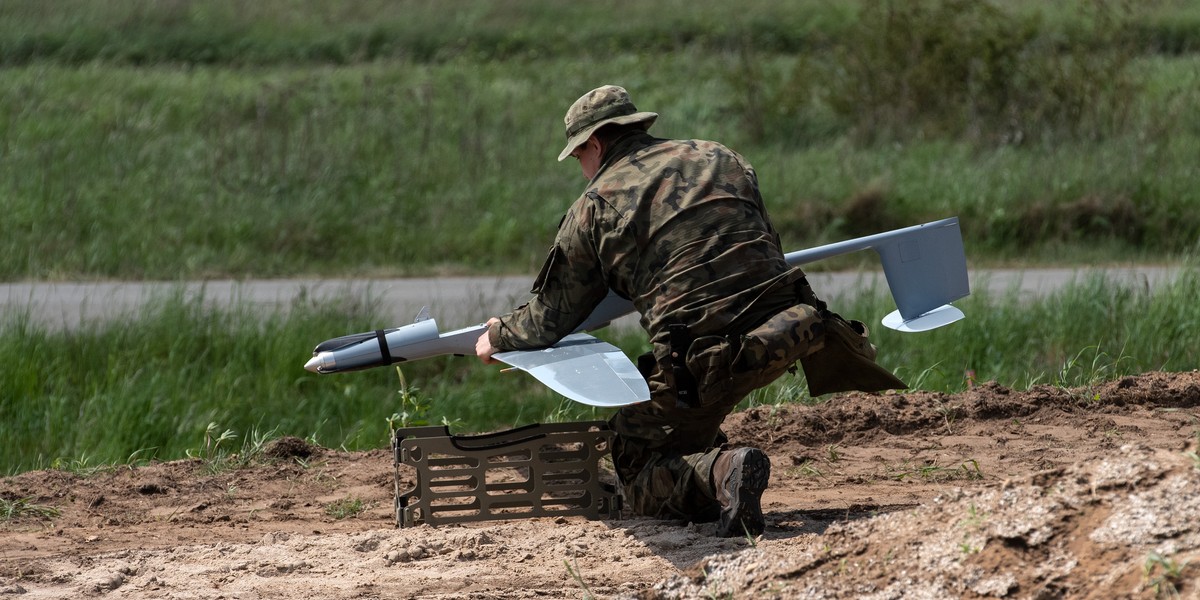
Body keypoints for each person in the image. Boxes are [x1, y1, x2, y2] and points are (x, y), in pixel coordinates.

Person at [475, 85, 904, 537]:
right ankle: (703, 452)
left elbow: (550, 316)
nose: (581, 170)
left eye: (578, 156)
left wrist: (499, 336)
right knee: (682, 413)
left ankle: (723, 471)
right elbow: (765, 248)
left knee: (632, 460)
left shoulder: (594, 206)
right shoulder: (720, 157)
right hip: (795, 326)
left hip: (709, 360)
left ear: (595, 144)